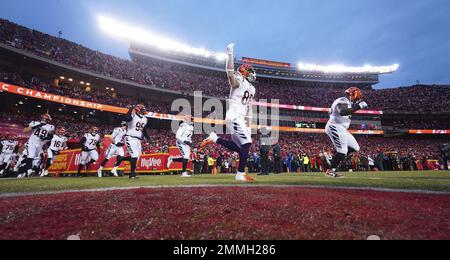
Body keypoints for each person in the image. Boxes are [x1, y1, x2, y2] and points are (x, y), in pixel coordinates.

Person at [200, 44, 256, 182]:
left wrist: (248, 122)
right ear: (244, 72)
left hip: (240, 118)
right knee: (247, 142)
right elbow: (230, 73)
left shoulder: (252, 88)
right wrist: (230, 54)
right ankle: (240, 173)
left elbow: (248, 107)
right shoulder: (239, 80)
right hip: (234, 115)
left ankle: (215, 138)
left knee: (241, 147)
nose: (252, 73)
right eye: (250, 71)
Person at [325, 87, 368, 178]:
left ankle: (334, 154)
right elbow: (342, 112)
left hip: (341, 128)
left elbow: (332, 112)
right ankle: (330, 171)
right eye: (357, 97)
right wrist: (358, 106)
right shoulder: (343, 100)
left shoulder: (346, 102)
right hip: (335, 126)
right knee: (343, 151)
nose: (357, 100)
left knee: (356, 148)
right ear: (352, 94)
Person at [112, 105, 150, 179]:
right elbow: (127, 119)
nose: (144, 111)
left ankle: (121, 158)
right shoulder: (133, 115)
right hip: (130, 137)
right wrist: (130, 110)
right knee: (135, 155)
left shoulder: (145, 119)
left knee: (137, 156)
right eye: (143, 109)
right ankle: (132, 174)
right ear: (138, 110)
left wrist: (149, 138)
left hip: (138, 139)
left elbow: (144, 130)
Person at [18, 114, 55, 179]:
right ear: (41, 118)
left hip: (40, 144)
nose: (44, 120)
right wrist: (37, 126)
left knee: (33, 158)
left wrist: (45, 137)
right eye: (43, 118)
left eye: (46, 119)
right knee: (31, 156)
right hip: (32, 142)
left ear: (49, 120)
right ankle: (29, 171)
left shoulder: (51, 126)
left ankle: (20, 163)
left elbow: (51, 136)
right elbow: (24, 130)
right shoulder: (34, 123)